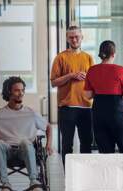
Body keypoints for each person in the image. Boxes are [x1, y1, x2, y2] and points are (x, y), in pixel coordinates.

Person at [0, 77, 52, 191]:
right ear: (8, 92)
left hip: (26, 151)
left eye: (22, 90)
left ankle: (34, 182)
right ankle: (6, 184)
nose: (20, 93)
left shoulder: (31, 113)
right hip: (6, 151)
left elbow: (48, 127)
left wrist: (48, 145)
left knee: (26, 142)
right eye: (17, 90)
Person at [50, 26, 94, 165]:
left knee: (86, 144)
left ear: (82, 38)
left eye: (77, 37)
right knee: (67, 145)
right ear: (67, 38)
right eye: (71, 37)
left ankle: (85, 174)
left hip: (86, 107)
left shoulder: (88, 58)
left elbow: (93, 82)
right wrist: (71, 75)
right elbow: (53, 82)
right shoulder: (60, 57)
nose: (74, 39)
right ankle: (68, 175)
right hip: (67, 107)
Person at [84, 40, 123, 153]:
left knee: (105, 153)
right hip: (117, 114)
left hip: (99, 114)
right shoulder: (121, 70)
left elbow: (88, 95)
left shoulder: (92, 70)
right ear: (113, 54)